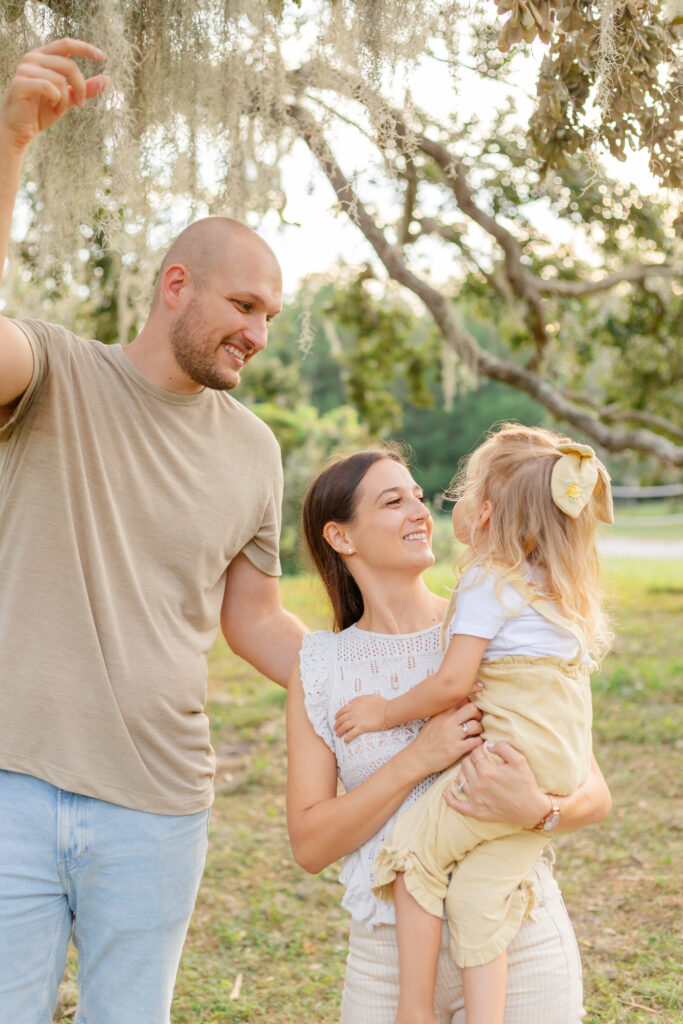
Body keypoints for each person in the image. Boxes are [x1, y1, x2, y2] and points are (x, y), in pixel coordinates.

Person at [0, 39, 305, 1024]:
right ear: (175, 286)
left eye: (271, 315)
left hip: (162, 802)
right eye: (243, 304)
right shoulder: (51, 372)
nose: (259, 333)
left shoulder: (254, 449)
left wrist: (386, 675)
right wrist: (10, 142)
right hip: (14, 785)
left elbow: (254, 618)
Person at [287, 446, 612, 1024]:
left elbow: (592, 791)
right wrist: (418, 757)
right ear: (341, 537)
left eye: (419, 495)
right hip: (387, 956)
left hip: (518, 936)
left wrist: (540, 812)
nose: (421, 510)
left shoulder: (505, 625)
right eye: (394, 500)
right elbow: (310, 846)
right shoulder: (322, 666)